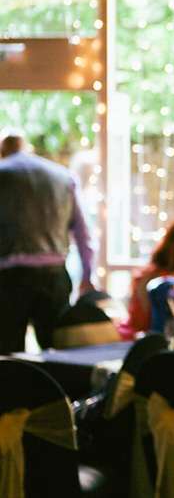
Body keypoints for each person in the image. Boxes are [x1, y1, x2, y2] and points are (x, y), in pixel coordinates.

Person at [0, 129, 96, 352]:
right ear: (27, 148)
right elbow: (84, 234)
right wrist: (87, 276)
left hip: (9, 278)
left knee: (7, 355)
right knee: (57, 351)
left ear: (2, 151)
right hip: (54, 276)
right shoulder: (62, 176)